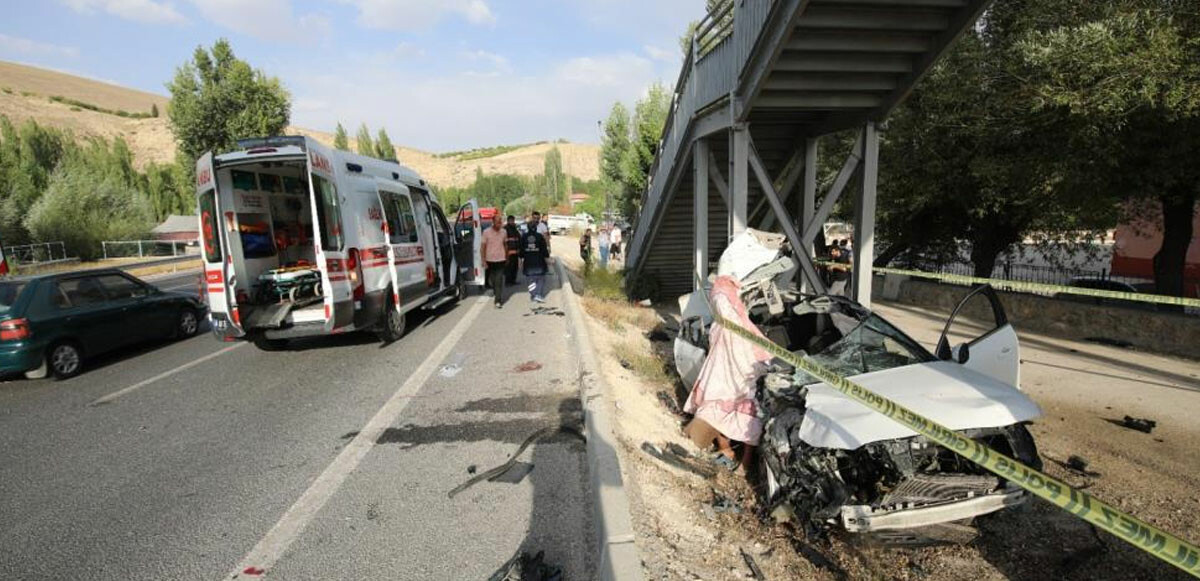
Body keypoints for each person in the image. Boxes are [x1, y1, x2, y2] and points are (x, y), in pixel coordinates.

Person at [521, 215, 551, 303]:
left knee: (530, 279)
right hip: (539, 261)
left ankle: (533, 295)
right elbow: (544, 249)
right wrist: (547, 258)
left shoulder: (524, 237)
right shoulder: (539, 236)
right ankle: (538, 294)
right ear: (535, 228)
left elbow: (521, 250)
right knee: (540, 278)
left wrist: (520, 260)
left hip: (528, 262)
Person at [480, 216, 508, 308]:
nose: (499, 224)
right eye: (497, 222)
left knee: (499, 280)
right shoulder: (486, 232)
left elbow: (505, 245)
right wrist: (483, 260)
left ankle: (498, 301)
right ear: (493, 222)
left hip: (501, 259)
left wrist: (507, 257)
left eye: (500, 222)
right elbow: (483, 247)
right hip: (490, 260)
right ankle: (496, 291)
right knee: (492, 280)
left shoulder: (504, 232)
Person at [503, 215, 521, 285]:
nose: (512, 222)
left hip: (515, 251)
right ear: (508, 221)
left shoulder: (514, 228)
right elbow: (505, 241)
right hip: (508, 252)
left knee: (515, 267)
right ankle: (508, 282)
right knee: (509, 268)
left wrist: (519, 248)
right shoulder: (505, 229)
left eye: (513, 220)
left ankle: (513, 280)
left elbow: (518, 238)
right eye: (511, 220)